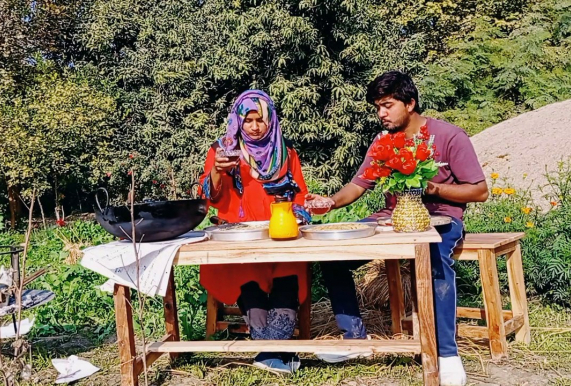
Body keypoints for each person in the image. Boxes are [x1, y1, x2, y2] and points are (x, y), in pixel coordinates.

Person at [306, 71, 488, 386]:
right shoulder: (383, 141)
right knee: (333, 255)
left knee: (434, 257)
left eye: (388, 105)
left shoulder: (448, 137)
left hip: (440, 217)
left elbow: (479, 191)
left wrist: (432, 188)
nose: (381, 114)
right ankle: (355, 340)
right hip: (390, 217)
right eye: (378, 107)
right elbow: (358, 185)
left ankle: (446, 353)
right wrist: (330, 202)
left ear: (410, 103)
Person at [199, 90, 311, 374]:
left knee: (289, 274)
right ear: (238, 121)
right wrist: (216, 170)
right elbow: (209, 197)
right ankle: (277, 351)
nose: (254, 126)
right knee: (247, 277)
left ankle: (270, 351)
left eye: (260, 119)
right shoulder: (223, 150)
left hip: (280, 233)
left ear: (270, 120)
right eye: (248, 120)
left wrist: (297, 215)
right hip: (239, 238)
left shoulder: (286, 153)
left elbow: (300, 196)